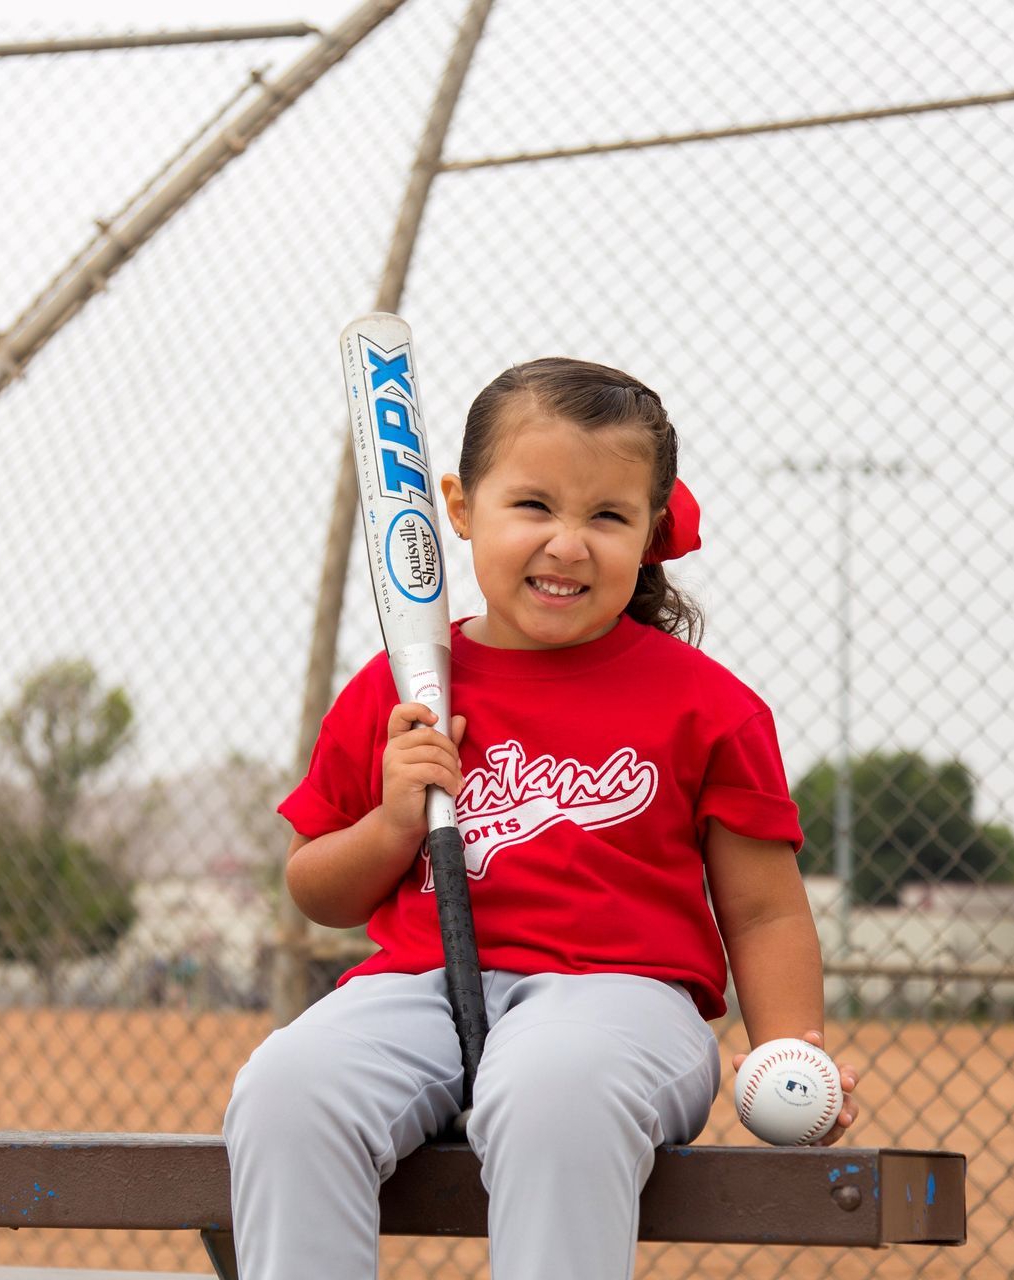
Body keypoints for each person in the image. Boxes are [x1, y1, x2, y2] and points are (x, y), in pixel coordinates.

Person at [225, 357, 862, 1279]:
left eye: (606, 515)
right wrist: (392, 825)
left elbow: (763, 911)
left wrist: (793, 1046)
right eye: (533, 506)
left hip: (627, 1003)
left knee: (554, 1084)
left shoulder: (710, 706)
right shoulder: (404, 686)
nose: (567, 543)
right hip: (420, 989)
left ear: (649, 533)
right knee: (286, 1091)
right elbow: (314, 886)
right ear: (458, 506)